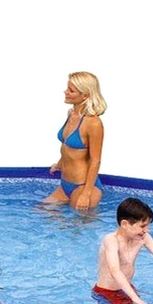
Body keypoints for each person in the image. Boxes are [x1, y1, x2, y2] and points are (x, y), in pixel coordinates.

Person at [44, 71, 107, 211]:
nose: (65, 92)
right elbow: (67, 146)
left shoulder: (93, 123)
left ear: (85, 95)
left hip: (83, 186)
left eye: (71, 90)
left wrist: (86, 194)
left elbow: (95, 161)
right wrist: (59, 164)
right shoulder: (71, 113)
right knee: (41, 211)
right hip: (65, 185)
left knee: (77, 224)